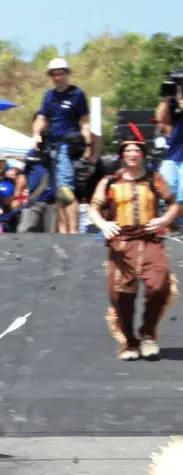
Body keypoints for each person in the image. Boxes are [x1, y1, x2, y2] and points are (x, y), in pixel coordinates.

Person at [88, 140, 179, 361]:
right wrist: (103, 225)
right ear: (122, 155)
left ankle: (148, 335)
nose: (132, 153)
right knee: (121, 293)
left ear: (142, 155)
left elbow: (174, 203)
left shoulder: (154, 179)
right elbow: (93, 208)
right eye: (128, 150)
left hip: (150, 239)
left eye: (137, 150)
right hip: (121, 243)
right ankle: (129, 341)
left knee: (159, 285)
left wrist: (163, 220)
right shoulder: (109, 181)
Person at [32, 58, 91, 234]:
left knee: (66, 189)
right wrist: (36, 134)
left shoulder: (77, 94)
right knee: (58, 192)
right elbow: (42, 117)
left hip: (68, 146)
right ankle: (63, 232)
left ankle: (73, 231)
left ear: (67, 73)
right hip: (52, 147)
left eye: (60, 73)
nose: (57, 77)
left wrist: (88, 146)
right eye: (54, 74)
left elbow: (85, 122)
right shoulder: (49, 96)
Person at [156, 80, 183, 199]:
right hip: (172, 158)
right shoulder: (174, 105)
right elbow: (161, 121)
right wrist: (166, 98)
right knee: (166, 196)